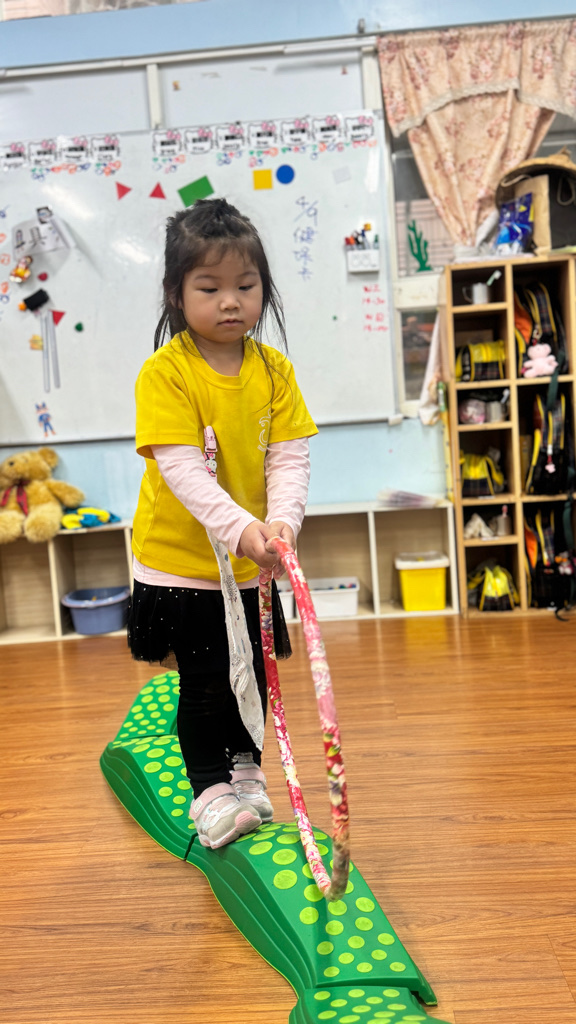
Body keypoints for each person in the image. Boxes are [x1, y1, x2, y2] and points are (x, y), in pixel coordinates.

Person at [127, 197, 317, 850]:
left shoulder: (275, 371)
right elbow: (184, 474)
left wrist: (283, 522)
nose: (231, 301)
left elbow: (288, 458)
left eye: (246, 285)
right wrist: (243, 530)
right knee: (207, 681)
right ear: (176, 294)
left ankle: (245, 772)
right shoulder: (166, 373)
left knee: (256, 675)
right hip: (182, 562)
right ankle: (209, 790)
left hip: (251, 559)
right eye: (209, 288)